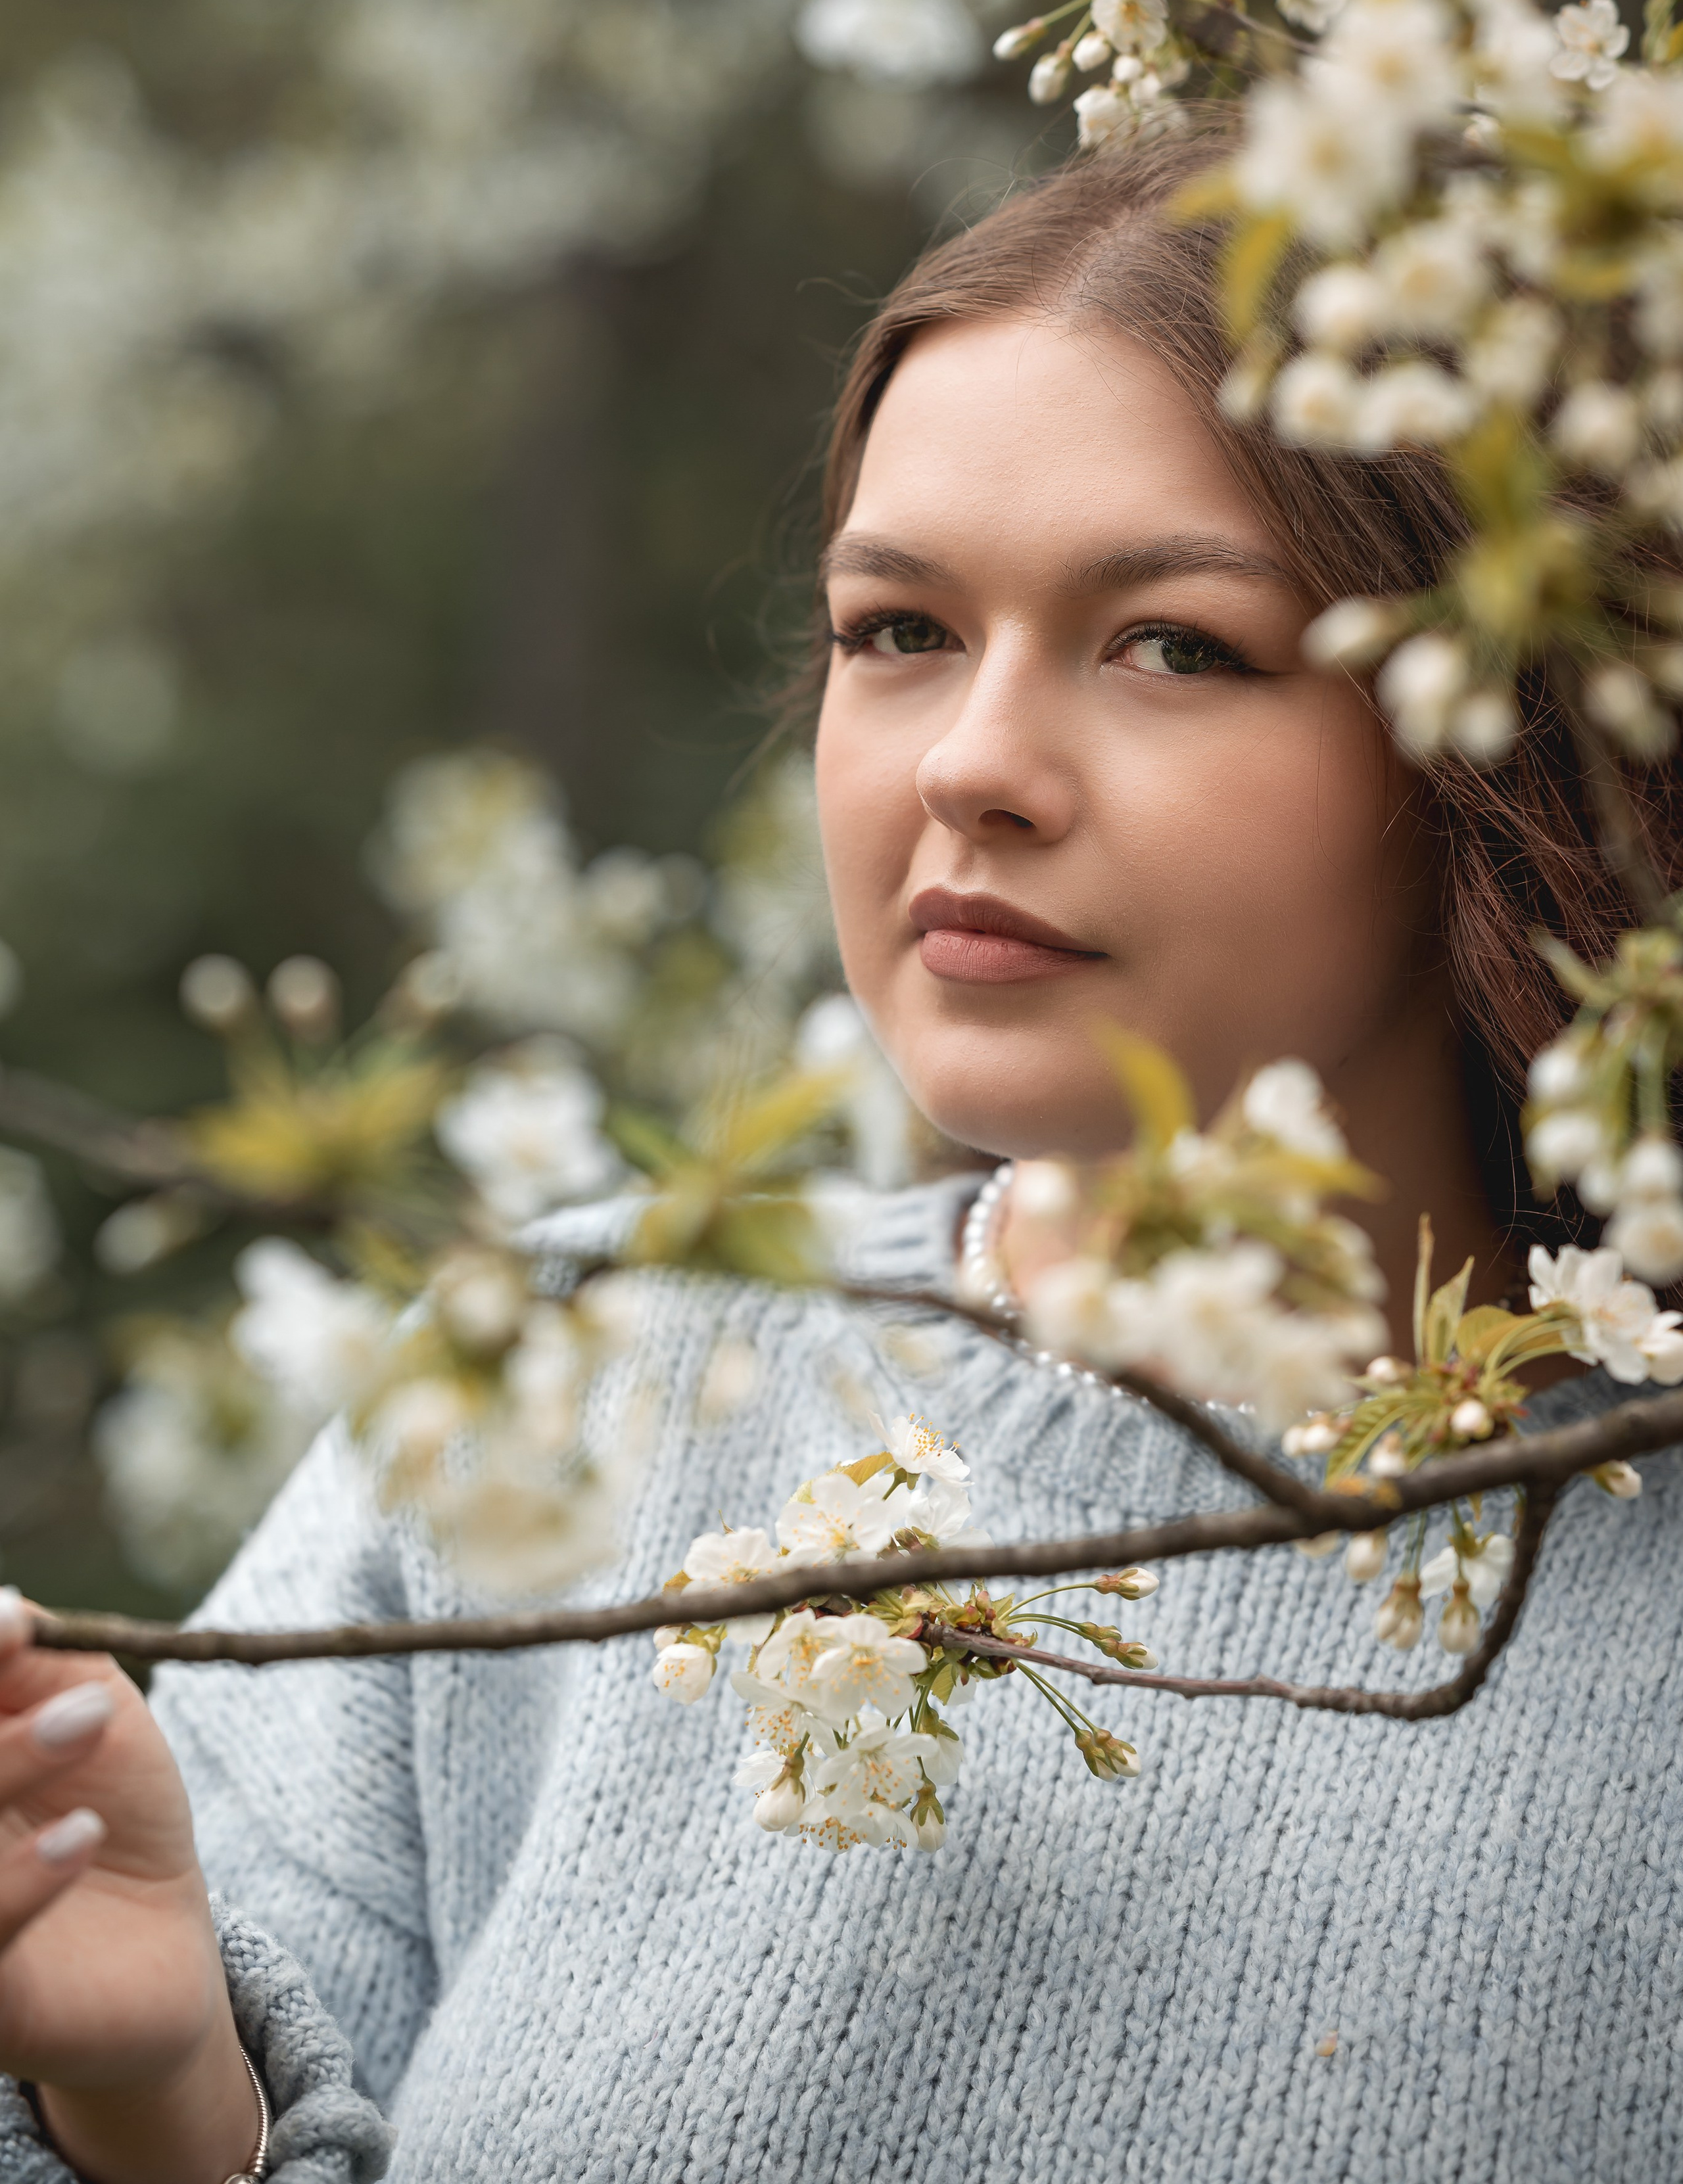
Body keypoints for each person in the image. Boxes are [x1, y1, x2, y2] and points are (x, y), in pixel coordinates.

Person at [2, 125, 1679, 2184]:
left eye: (1175, 642)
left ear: (1495, 732)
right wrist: (159, 2096)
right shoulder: (594, 1362)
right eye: (899, 628)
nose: (972, 761)